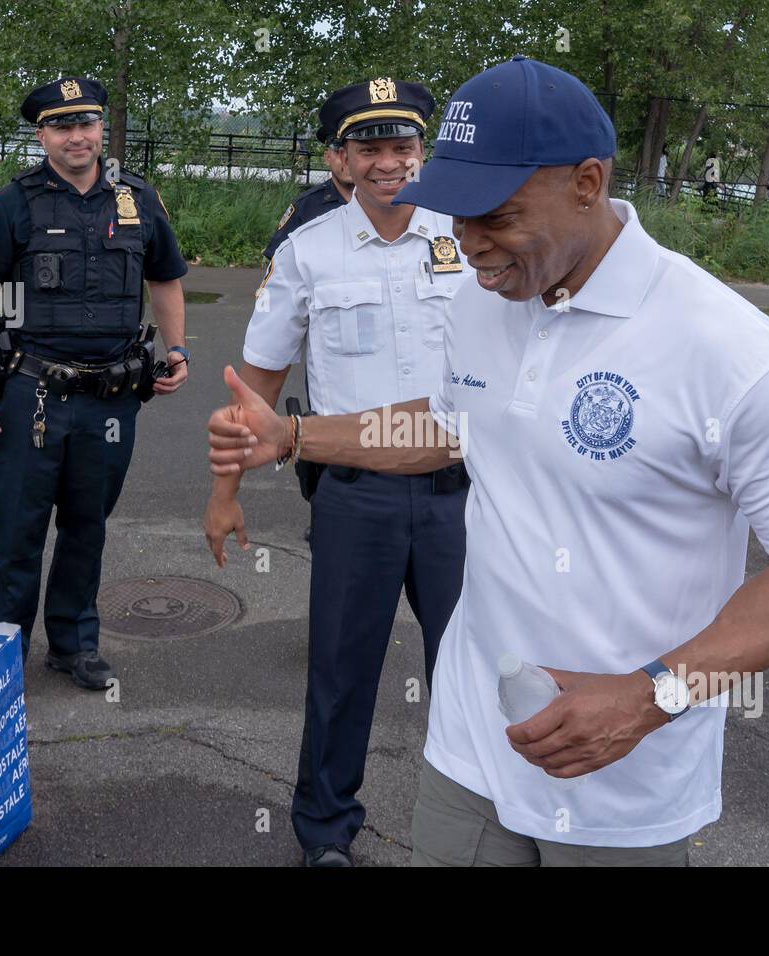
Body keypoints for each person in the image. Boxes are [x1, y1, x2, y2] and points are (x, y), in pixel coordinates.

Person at [208, 56, 769, 866]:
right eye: (455, 213)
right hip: (470, 753)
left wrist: (651, 697)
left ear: (587, 183)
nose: (468, 244)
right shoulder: (489, 298)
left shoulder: (726, 348)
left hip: (623, 783)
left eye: (497, 215)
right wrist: (296, 437)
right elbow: (451, 427)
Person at [203, 79, 473, 868]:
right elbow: (252, 391)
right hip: (357, 499)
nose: (390, 163)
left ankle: (484, 824)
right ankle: (325, 833)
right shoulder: (306, 253)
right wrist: (224, 495)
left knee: (475, 666)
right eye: (371, 148)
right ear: (340, 160)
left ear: (422, 151)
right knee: (342, 672)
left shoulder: (465, 236)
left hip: (465, 495)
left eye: (403, 145)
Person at [0, 77, 190, 690]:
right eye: (62, 125)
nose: (77, 136)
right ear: (43, 135)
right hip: (34, 395)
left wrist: (177, 348)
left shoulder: (138, 198)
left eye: (87, 123)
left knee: (88, 524)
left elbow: (164, 278)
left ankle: (74, 643)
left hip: (112, 398)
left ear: (101, 128)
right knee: (17, 526)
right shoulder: (17, 201)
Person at [264, 111, 356, 263]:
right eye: (339, 152)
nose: (347, 160)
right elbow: (278, 260)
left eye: (356, 152)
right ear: (327, 158)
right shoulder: (306, 207)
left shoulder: (383, 203)